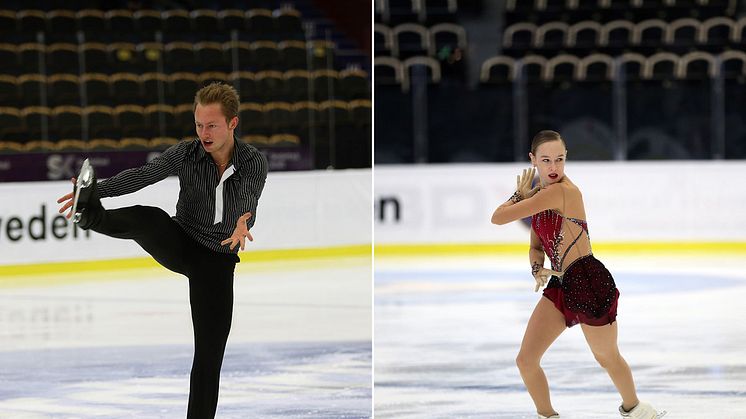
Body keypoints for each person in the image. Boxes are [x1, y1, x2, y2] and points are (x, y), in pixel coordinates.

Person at [56, 82, 268, 418]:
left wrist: (244, 221)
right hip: (180, 240)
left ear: (232, 123)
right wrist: (98, 190)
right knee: (149, 217)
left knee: (209, 359)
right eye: (199, 124)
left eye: (211, 125)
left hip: (217, 260)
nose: (204, 133)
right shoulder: (185, 153)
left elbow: (248, 197)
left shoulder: (253, 161)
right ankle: (89, 216)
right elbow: (144, 175)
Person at [491, 131, 664, 419]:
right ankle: (547, 415)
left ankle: (636, 409)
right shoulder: (540, 198)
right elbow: (535, 246)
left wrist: (517, 197)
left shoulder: (561, 192)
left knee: (606, 356)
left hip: (588, 281)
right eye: (546, 160)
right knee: (526, 360)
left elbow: (497, 217)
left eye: (559, 159)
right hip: (561, 284)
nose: (553, 167)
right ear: (533, 160)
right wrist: (537, 269)